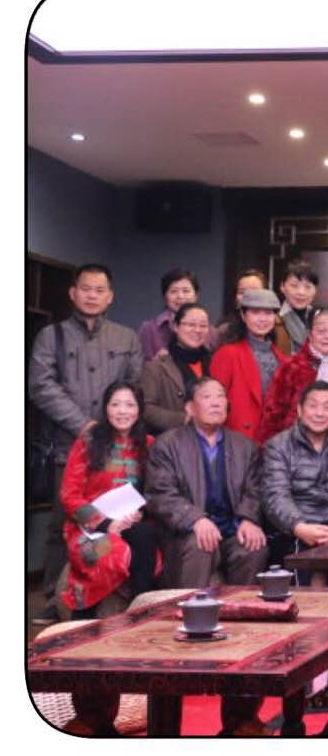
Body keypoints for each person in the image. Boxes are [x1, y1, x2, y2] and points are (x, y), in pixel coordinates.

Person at [28, 263, 143, 624]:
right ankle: (56, 596)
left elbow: (134, 386)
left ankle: (107, 593)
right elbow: (40, 386)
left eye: (99, 290)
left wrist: (116, 421)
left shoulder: (126, 338)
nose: (92, 295)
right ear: (73, 293)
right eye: (86, 288)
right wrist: (84, 426)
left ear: (110, 296)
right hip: (67, 443)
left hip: (118, 449)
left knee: (117, 520)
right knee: (63, 523)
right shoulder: (51, 336)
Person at [145, 377, 268, 587]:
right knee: (200, 545)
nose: (216, 403)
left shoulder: (245, 447)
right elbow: (160, 493)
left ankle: (242, 607)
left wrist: (249, 519)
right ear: (190, 408)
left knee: (254, 547)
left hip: (231, 528)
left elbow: (255, 489)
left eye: (221, 397)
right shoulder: (167, 444)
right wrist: (195, 519)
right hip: (186, 532)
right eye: (207, 397)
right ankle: (191, 607)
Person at [58, 381, 161, 618]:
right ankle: (83, 620)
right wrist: (106, 524)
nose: (122, 411)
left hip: (131, 521)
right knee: (115, 554)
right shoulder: (89, 440)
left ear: (139, 410)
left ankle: (141, 614)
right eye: (115, 404)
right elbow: (69, 494)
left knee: (147, 536)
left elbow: (154, 491)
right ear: (106, 408)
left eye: (129, 405)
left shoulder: (148, 444)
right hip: (89, 527)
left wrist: (141, 512)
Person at [262, 381, 328, 572]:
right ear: (300, 410)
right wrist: (300, 527)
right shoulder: (278, 446)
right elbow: (276, 496)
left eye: (327, 407)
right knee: (300, 555)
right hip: (294, 530)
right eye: (313, 406)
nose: (320, 413)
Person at [258, 307, 328, 443]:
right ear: (310, 334)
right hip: (295, 447)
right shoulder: (291, 368)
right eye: (321, 331)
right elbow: (272, 415)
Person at [211, 288, 289, 443]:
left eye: (268, 313)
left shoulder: (283, 359)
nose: (262, 319)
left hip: (274, 442)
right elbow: (214, 402)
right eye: (255, 312)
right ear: (243, 315)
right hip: (237, 441)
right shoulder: (227, 353)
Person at [139, 303, 213, 435]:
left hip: (212, 437)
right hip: (171, 440)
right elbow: (146, 408)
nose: (197, 330)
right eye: (191, 324)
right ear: (175, 327)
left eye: (203, 326)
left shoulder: (215, 362)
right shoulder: (156, 367)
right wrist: (185, 418)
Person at [138, 268, 202, 361]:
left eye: (186, 291)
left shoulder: (209, 331)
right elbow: (139, 365)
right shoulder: (148, 329)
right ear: (165, 297)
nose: (180, 296)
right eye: (173, 291)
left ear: (196, 295)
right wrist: (155, 363)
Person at [273, 260, 318, 356]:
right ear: (282, 287)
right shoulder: (273, 319)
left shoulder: (320, 317)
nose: (301, 292)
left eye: (308, 287)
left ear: (315, 290)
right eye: (294, 285)